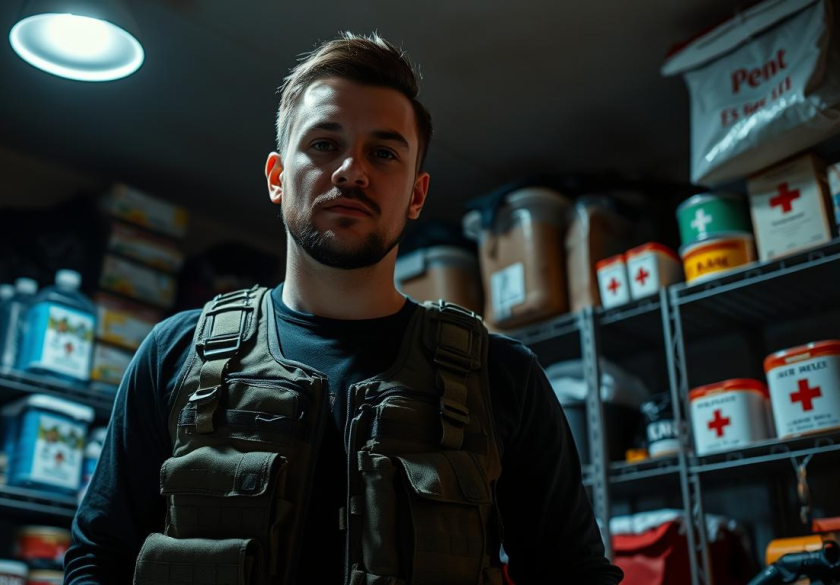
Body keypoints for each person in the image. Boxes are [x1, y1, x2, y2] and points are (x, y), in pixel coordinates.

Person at [65, 32, 624, 585]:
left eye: (383, 153)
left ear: (416, 195)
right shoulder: (175, 353)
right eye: (324, 144)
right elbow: (98, 558)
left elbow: (573, 573)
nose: (352, 171)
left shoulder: (501, 375)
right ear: (277, 178)